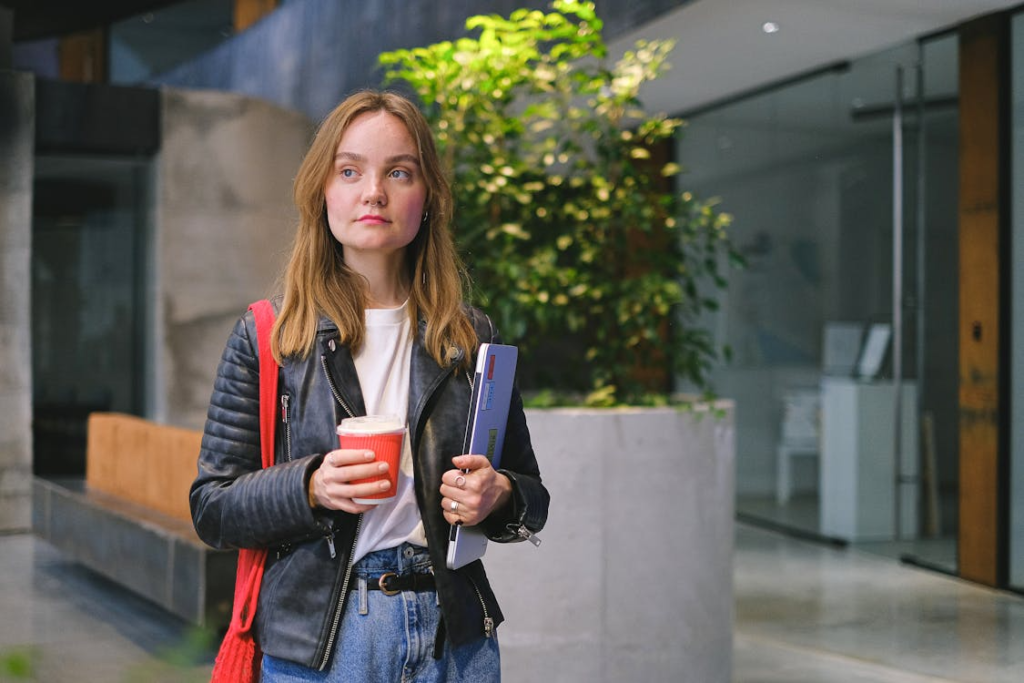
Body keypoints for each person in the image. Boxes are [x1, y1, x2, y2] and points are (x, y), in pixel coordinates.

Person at [190, 90, 549, 682]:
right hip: (325, 648)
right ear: (322, 191)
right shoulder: (270, 336)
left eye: (399, 172)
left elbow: (531, 498)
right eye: (350, 170)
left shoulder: (469, 335)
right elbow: (213, 508)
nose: (373, 191)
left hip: (453, 641)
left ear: (426, 195)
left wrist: (500, 494)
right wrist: (310, 486)